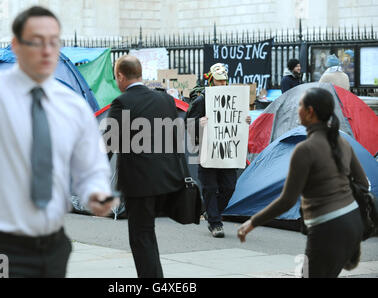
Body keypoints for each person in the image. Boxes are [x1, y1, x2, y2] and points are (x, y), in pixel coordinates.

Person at [0, 6, 116, 278]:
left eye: (53, 42)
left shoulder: (72, 106)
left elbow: (91, 167)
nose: (46, 50)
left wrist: (97, 193)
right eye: (36, 41)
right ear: (16, 45)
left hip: (53, 247)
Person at [237, 87, 369, 278]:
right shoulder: (342, 143)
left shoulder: (304, 149)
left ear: (310, 112)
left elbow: (287, 200)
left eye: (300, 105)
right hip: (351, 225)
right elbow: (363, 183)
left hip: (326, 228)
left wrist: (252, 222)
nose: (297, 109)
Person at [106, 55, 184, 278]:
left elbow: (108, 144)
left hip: (140, 184)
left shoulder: (122, 103)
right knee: (147, 236)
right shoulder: (166, 100)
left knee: (141, 237)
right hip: (167, 181)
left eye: (115, 77)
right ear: (140, 73)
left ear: (121, 76)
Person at [186, 63, 251, 238]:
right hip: (208, 150)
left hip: (228, 151)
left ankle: (211, 212)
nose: (222, 84)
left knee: (229, 187)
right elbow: (189, 124)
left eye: (224, 81)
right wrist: (200, 124)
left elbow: (237, 120)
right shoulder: (201, 100)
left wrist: (245, 121)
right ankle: (215, 223)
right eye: (219, 81)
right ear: (212, 81)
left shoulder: (234, 98)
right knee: (209, 187)